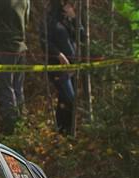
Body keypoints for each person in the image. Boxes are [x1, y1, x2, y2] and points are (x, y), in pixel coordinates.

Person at [0, 0, 30, 135]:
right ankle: (21, 123)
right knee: (18, 88)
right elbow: (26, 21)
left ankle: (10, 128)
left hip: (3, 46)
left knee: (5, 88)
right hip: (20, 46)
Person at [41, 0, 85, 136]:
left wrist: (74, 18)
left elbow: (82, 37)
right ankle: (68, 133)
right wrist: (58, 54)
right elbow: (43, 41)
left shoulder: (68, 18)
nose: (68, 6)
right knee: (69, 99)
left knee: (64, 100)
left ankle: (62, 132)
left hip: (72, 67)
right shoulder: (48, 18)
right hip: (57, 66)